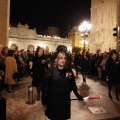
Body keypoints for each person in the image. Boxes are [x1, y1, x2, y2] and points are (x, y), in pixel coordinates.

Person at [42, 50, 88, 120]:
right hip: (53, 100)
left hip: (64, 100)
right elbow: (45, 86)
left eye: (64, 58)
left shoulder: (68, 71)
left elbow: (73, 85)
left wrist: (78, 96)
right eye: (61, 58)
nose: (62, 60)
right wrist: (44, 100)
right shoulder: (51, 71)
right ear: (57, 59)